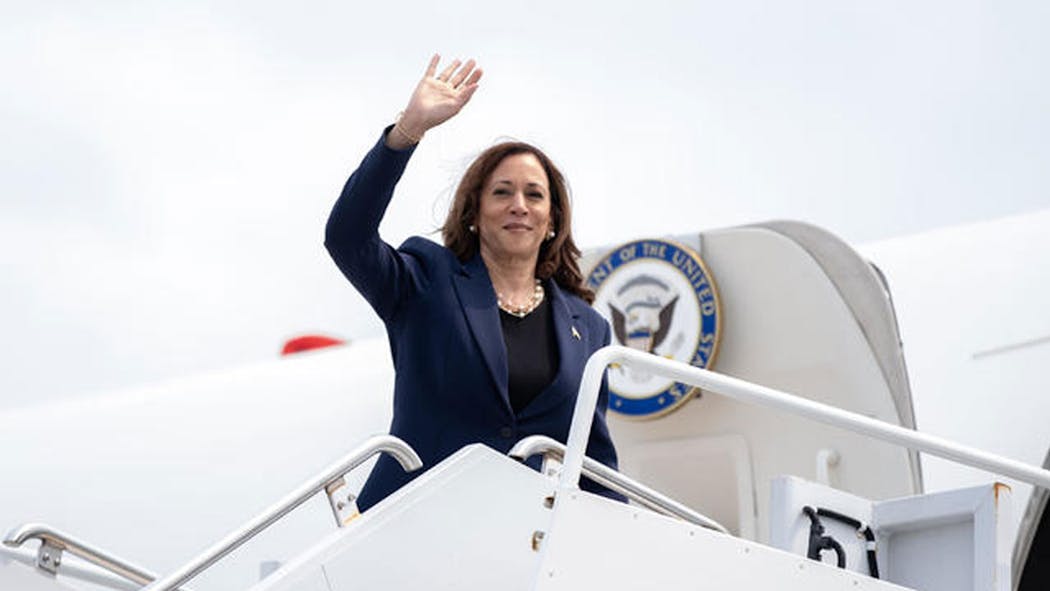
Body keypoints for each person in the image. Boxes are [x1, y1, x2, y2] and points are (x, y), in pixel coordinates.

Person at [325, 55, 622, 511]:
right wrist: (407, 132)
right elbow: (347, 237)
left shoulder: (590, 328)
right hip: (414, 528)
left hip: (525, 547)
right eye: (501, 192)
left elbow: (594, 462)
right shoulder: (425, 280)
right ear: (475, 214)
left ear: (551, 220)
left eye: (534, 194)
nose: (518, 205)